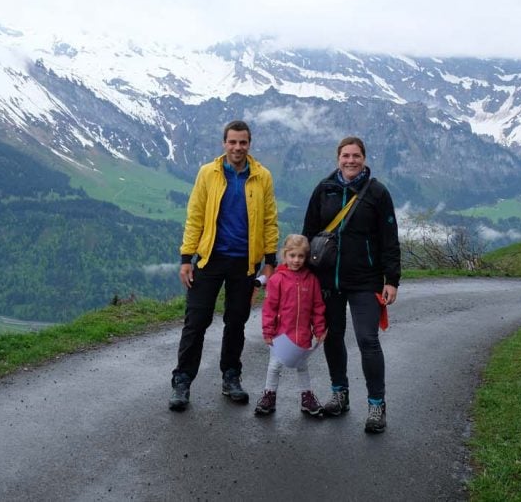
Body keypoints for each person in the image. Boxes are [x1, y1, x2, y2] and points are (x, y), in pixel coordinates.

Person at [169, 120, 279, 411]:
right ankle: (182, 381)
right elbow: (195, 217)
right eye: (232, 142)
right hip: (209, 259)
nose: (237, 148)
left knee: (236, 322)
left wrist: (270, 262)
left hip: (245, 262)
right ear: (224, 144)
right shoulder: (209, 173)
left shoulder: (262, 176)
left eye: (243, 142)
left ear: (249, 144)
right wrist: (186, 259)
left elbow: (269, 220)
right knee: (196, 320)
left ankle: (231, 376)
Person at [302, 136, 401, 433]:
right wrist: (304, 276)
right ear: (338, 158)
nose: (351, 161)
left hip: (365, 281)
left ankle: (375, 405)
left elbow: (389, 239)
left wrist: (391, 280)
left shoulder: (378, 193)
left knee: (367, 340)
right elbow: (309, 233)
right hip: (328, 279)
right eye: (346, 156)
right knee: (331, 337)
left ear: (364, 158)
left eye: (356, 156)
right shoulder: (324, 189)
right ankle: (340, 393)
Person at [255, 234, 328, 417]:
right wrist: (268, 331)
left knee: (302, 366)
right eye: (292, 255)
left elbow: (317, 307)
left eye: (301, 256)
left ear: (306, 257)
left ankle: (306, 397)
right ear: (285, 255)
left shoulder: (311, 280)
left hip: (302, 334)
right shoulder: (277, 279)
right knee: (274, 366)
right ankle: (269, 395)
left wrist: (319, 329)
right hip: (280, 335)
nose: (296, 260)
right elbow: (269, 308)